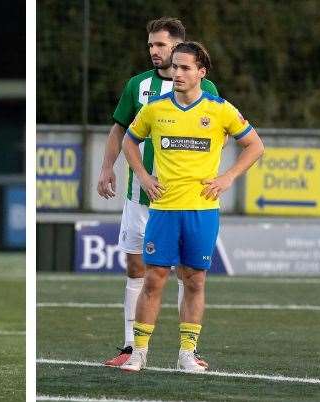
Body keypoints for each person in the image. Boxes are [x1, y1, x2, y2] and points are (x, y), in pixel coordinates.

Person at [119, 41, 264, 372]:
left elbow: (255, 146)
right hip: (164, 210)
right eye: (175, 67)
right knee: (154, 278)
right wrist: (142, 175)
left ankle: (187, 354)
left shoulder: (220, 109)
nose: (177, 73)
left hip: (202, 210)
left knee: (195, 280)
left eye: (185, 68)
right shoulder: (155, 108)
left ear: (201, 72)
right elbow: (129, 140)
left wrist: (228, 177)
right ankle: (139, 352)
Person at [100, 17, 218, 368]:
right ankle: (129, 348)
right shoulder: (138, 86)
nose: (154, 51)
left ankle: (188, 351)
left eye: (161, 45)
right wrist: (107, 167)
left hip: (184, 200)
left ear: (178, 46)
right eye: (150, 45)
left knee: (188, 272)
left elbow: (216, 132)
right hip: (142, 195)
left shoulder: (204, 90)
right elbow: (119, 131)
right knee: (137, 266)